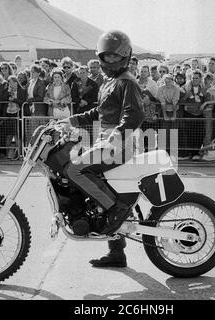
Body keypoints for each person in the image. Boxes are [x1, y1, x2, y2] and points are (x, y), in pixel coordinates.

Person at [58, 30, 144, 268]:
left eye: (115, 57)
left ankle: (116, 210)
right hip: (106, 138)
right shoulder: (109, 82)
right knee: (102, 187)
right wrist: (72, 120)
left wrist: (119, 134)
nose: (110, 61)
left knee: (75, 170)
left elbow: (134, 113)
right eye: (106, 57)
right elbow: (100, 112)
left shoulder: (128, 81)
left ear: (125, 56)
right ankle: (117, 252)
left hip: (119, 142)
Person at [5, 75, 26, 159]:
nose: (10, 84)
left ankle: (19, 153)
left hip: (18, 114)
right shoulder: (7, 90)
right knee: (9, 134)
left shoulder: (22, 90)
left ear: (15, 82)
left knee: (18, 134)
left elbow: (23, 102)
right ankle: (8, 154)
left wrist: (14, 99)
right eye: (8, 83)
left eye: (11, 82)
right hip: (9, 114)